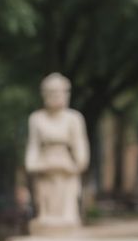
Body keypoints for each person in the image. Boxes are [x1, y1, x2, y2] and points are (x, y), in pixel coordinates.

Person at [24, 73, 90, 232]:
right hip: (45, 165)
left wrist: (78, 165)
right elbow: (33, 146)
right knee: (45, 209)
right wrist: (32, 164)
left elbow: (80, 144)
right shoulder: (37, 118)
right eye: (50, 92)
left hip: (65, 167)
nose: (55, 96)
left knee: (67, 210)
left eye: (58, 92)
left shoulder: (73, 118)